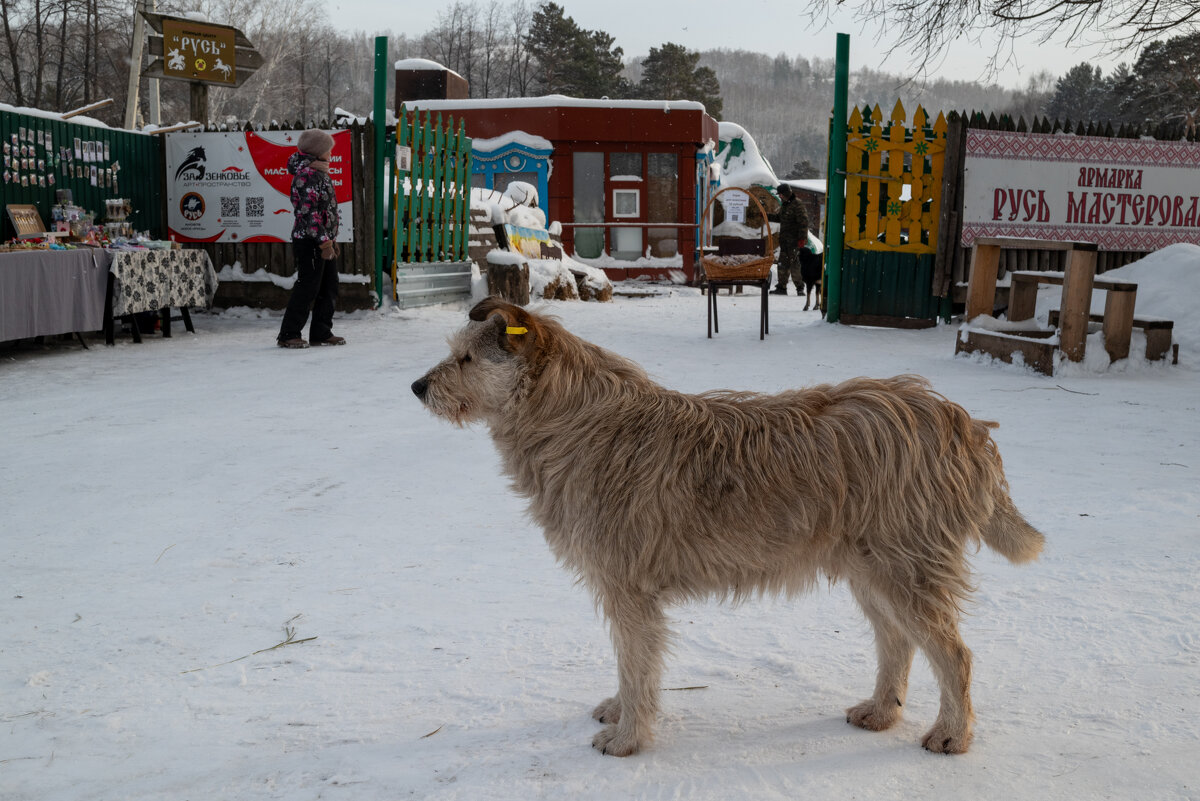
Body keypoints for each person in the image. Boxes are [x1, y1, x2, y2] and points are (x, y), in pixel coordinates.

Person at [277, 129, 345, 348]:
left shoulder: (319, 172)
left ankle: (321, 332)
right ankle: (288, 334)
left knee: (329, 285)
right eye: (328, 150)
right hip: (310, 240)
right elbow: (308, 212)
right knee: (308, 286)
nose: (331, 153)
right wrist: (324, 242)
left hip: (323, 239)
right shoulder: (307, 175)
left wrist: (331, 239)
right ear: (318, 152)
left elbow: (325, 211)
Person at [771, 183, 810, 296]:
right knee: (783, 263)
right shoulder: (785, 205)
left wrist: (802, 239)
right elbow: (779, 218)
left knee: (795, 264)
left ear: (785, 194)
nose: (779, 197)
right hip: (785, 241)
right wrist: (765, 216)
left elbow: (804, 222)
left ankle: (800, 288)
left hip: (795, 242)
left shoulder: (797, 204)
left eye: (781, 195)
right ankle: (781, 287)